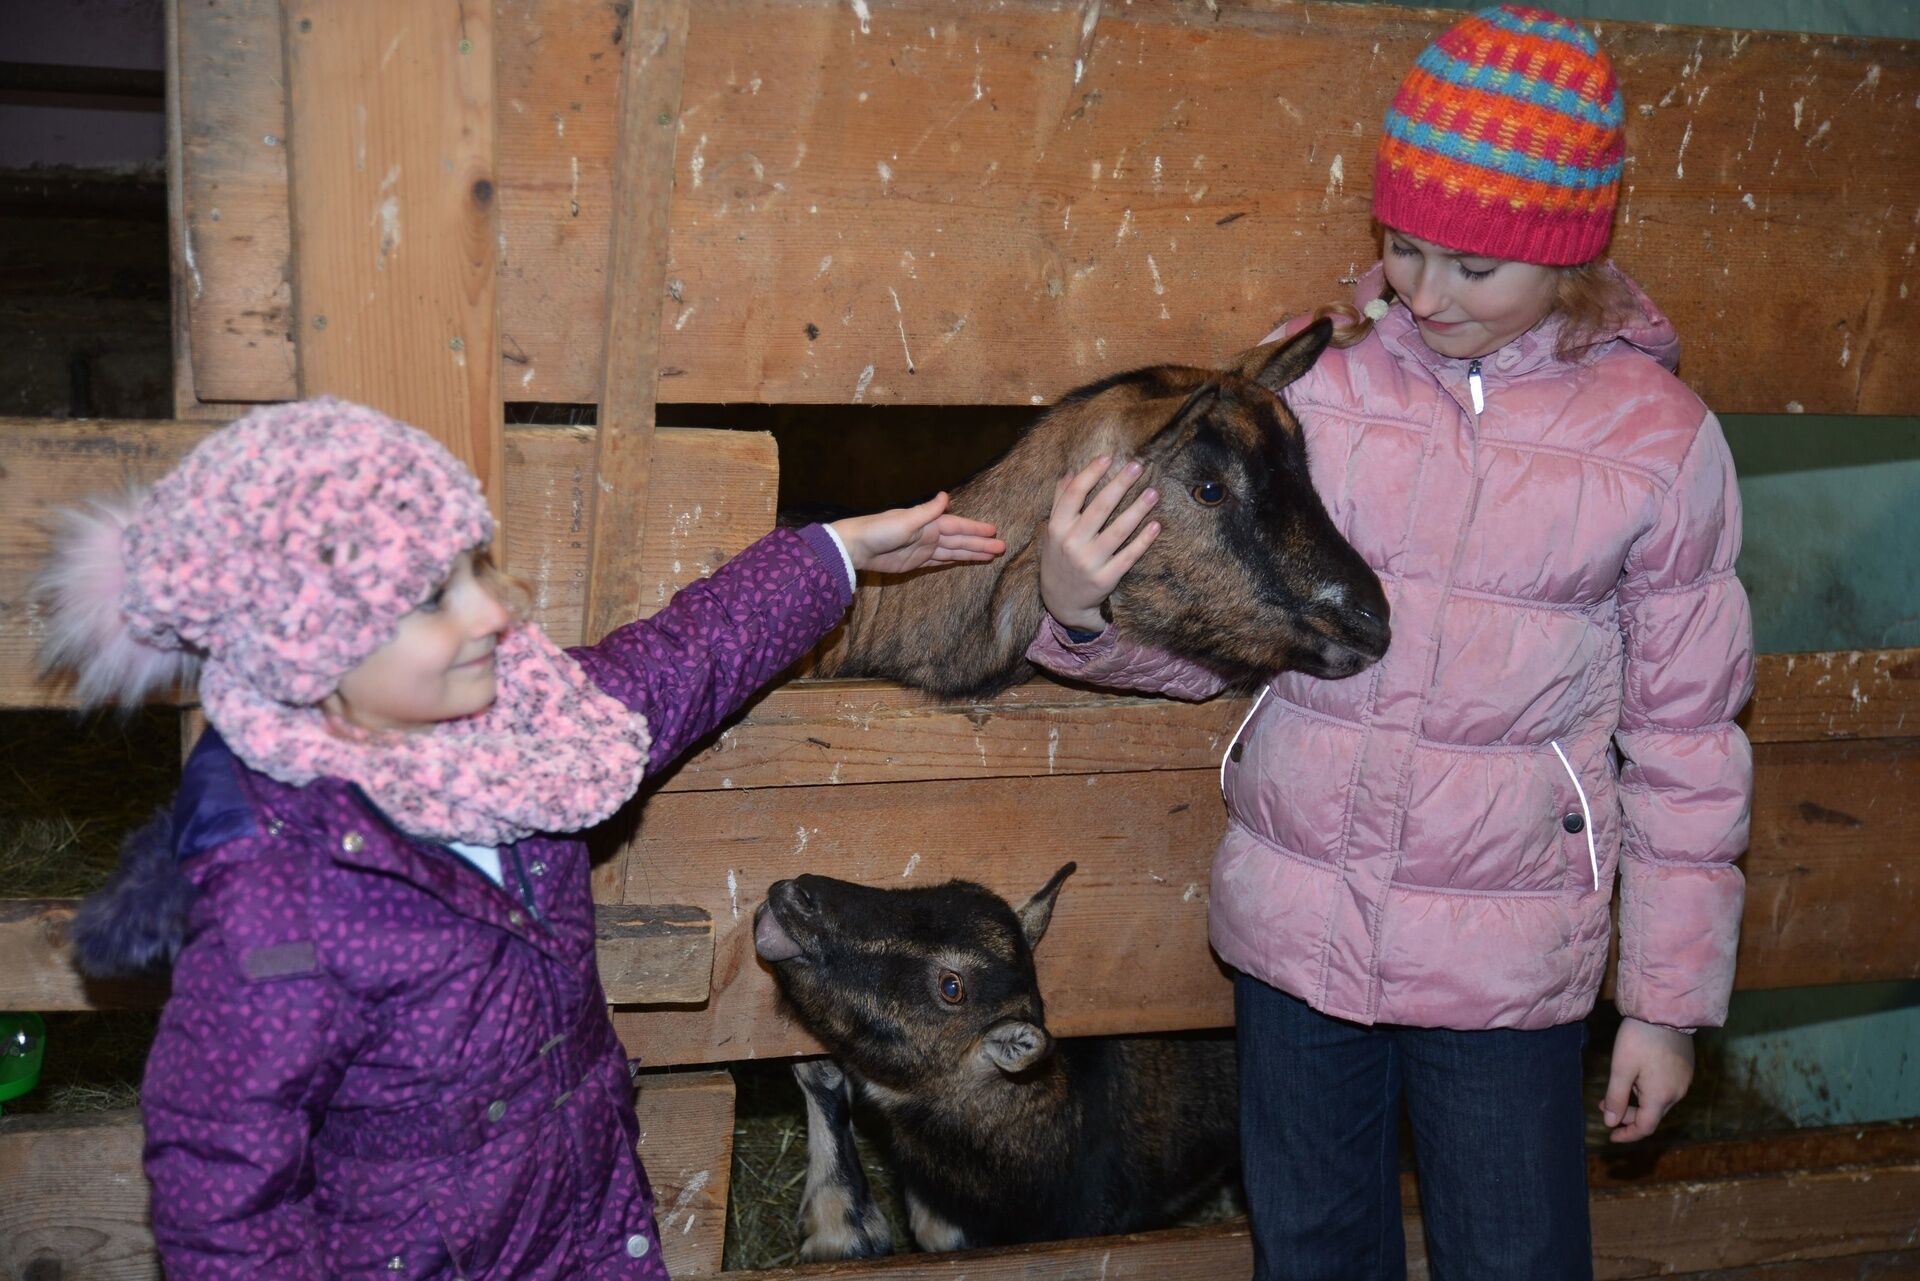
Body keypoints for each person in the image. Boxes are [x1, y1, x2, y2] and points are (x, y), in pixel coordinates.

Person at [1026, 7, 1754, 1279]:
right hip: (1298, 932)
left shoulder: (1659, 442)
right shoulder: (1317, 385)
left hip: (1506, 959)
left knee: (1512, 1254)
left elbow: (1689, 740)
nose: (1425, 292)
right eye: (1404, 248)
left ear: (1569, 250)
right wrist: (1081, 612)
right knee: (1310, 1247)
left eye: (1473, 266)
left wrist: (1665, 1006)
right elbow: (1223, 636)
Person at [40, 397, 1003, 1280]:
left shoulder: (527, 730)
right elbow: (224, 1192)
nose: (495, 610)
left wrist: (834, 551)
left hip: (585, 1227)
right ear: (309, 642)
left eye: (476, 566)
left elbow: (682, 660)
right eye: (433, 597)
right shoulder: (278, 902)